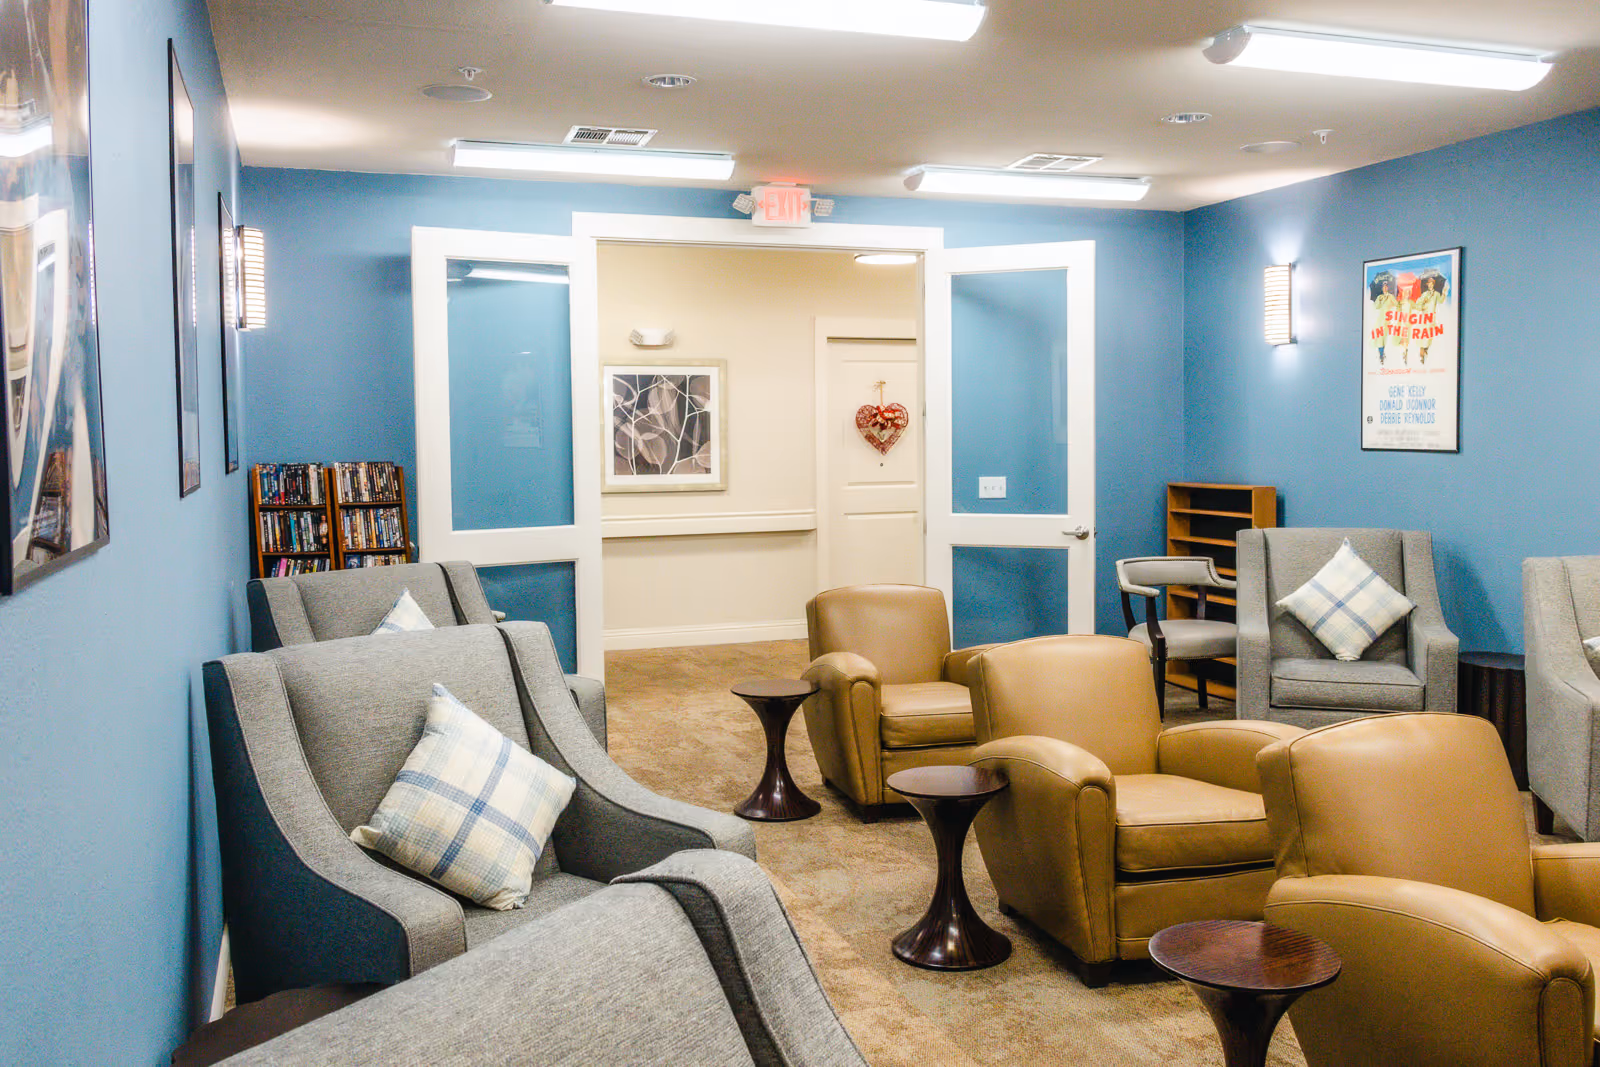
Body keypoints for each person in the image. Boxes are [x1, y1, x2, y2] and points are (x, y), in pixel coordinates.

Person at [1413, 270, 1449, 365]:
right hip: (1424, 319)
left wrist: (1444, 293)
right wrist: (1422, 306)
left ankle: (1425, 352)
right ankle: (1421, 355)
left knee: (1429, 337)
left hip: (1431, 318)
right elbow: (1417, 305)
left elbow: (1441, 301)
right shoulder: (1424, 295)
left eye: (1432, 283)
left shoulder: (1436, 294)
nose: (1430, 285)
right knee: (1422, 337)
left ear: (1433, 284)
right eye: (1429, 283)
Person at [1368, 272, 1398, 365]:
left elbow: (1396, 304)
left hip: (1389, 319)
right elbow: (1376, 307)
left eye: (1386, 286)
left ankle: (1388, 355)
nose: (1385, 288)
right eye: (1383, 287)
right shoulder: (1380, 297)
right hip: (1381, 320)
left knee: (1387, 337)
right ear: (1382, 288)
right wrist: (1380, 301)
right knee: (1380, 337)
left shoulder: (1391, 296)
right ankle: (1381, 355)